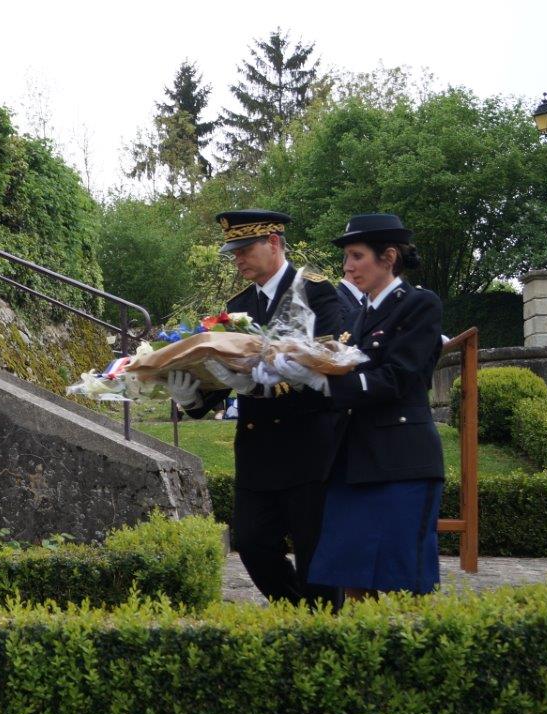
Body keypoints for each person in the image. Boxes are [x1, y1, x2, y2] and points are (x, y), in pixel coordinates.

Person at [165, 210, 342, 608]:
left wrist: (270, 380)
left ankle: (326, 631)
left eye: (245, 249)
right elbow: (222, 368)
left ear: (274, 243)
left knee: (317, 555)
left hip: (309, 446)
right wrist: (192, 396)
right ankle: (297, 614)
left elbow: (330, 366)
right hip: (258, 450)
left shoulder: (317, 292)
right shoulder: (236, 306)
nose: (238, 259)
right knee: (251, 542)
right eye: (234, 252)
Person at [271, 213, 444, 598]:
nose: (348, 267)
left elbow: (399, 377)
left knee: (404, 584)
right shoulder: (360, 315)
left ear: (389, 256)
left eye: (356, 256)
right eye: (347, 257)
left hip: (400, 460)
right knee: (352, 580)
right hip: (354, 461)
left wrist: (327, 382)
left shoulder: (419, 304)